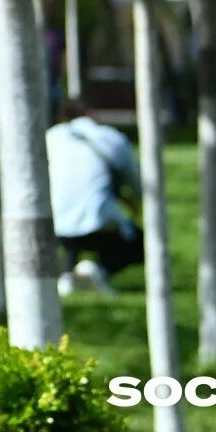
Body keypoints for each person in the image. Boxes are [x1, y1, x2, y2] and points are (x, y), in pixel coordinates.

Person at [45, 99, 143, 297]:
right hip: (98, 223)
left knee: (71, 229)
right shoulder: (110, 138)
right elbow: (136, 181)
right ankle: (99, 269)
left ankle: (68, 275)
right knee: (140, 243)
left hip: (55, 225)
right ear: (90, 113)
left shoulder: (50, 137)